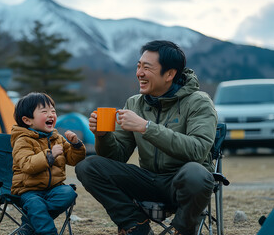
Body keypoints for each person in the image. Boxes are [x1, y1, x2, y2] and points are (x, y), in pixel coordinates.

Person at [75, 40, 217, 235]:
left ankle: (182, 230)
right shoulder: (134, 103)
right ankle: (136, 226)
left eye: (147, 68)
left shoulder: (198, 102)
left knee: (197, 173)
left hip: (181, 183)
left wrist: (146, 127)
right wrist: (103, 136)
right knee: (88, 166)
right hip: (149, 180)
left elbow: (198, 150)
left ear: (169, 74)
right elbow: (115, 158)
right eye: (138, 66)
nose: (139, 73)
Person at [11, 92, 86, 235]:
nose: (51, 114)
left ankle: (30, 225)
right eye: (44, 111)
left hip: (54, 189)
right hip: (29, 190)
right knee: (35, 204)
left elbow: (73, 159)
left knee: (68, 193)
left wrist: (76, 145)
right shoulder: (22, 140)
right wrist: (49, 156)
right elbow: (27, 165)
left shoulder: (57, 138)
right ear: (27, 120)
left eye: (53, 111)